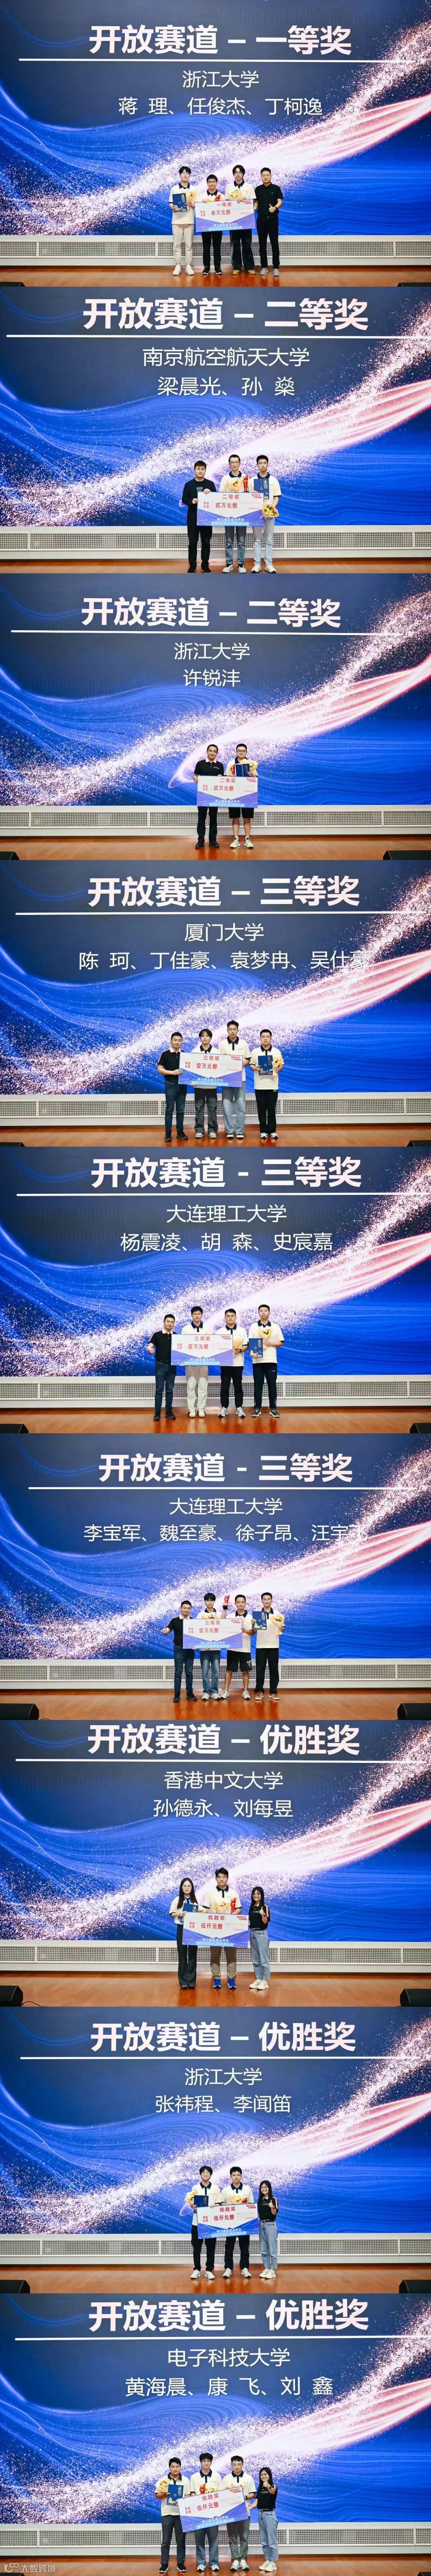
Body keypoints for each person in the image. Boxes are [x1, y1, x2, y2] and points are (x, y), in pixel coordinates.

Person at [199, 1860, 242, 1988]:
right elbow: (206, 1908)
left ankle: (231, 1979)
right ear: (216, 1879)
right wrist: (214, 1915)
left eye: (224, 1877)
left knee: (231, 1954)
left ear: (228, 1879)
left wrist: (234, 1914)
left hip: (230, 1928)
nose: (222, 1879)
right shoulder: (211, 1893)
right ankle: (217, 1978)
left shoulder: (233, 1893)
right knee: (215, 1954)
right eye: (219, 1877)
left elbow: (239, 1909)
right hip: (215, 1928)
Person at [184, 2159, 219, 2277]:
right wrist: (192, 2205)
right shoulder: (195, 2187)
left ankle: (209, 2270)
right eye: (204, 2173)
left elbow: (220, 2203)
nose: (206, 2174)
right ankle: (197, 2269)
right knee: (197, 2247)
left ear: (211, 2175)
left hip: (211, 2223)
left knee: (211, 2247)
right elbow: (192, 2202)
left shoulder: (215, 2188)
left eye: (208, 2173)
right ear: (201, 2175)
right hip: (197, 2222)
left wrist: (216, 2205)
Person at [155, 2458, 191, 2575]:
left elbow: (189, 2495)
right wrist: (164, 2495)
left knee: (181, 2541)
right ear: (169, 2468)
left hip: (181, 2515)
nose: (175, 2469)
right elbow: (157, 2495)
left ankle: (181, 2564)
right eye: (173, 2467)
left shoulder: (186, 2481)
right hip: (167, 2514)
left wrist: (187, 2497)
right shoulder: (164, 2480)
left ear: (180, 2467)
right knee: (166, 2541)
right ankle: (164, 2564)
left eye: (177, 2467)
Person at [180, 459, 216, 576]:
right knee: (193, 543)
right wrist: (191, 501)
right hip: (193, 518)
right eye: (198, 469)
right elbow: (184, 499)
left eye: (203, 469)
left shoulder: (210, 484)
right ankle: (193, 564)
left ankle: (205, 564)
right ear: (194, 470)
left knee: (206, 542)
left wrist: (211, 493)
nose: (200, 471)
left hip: (207, 518)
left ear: (205, 471)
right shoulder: (189, 485)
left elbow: (216, 499)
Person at [189, 2453, 221, 2574]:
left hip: (213, 2513)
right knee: (200, 2539)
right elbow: (192, 2493)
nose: (206, 2463)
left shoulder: (217, 2476)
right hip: (199, 2513)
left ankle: (214, 2563)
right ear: (201, 2463)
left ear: (211, 2462)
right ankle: (201, 2563)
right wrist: (199, 2500)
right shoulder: (195, 2477)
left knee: (214, 2539)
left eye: (208, 2461)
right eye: (204, 2461)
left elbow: (220, 2493)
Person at [249, 1029, 284, 1140]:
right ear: (260, 1039)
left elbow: (282, 1065)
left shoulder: (277, 1052)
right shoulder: (255, 1052)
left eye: (268, 1037)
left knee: (272, 1109)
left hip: (273, 1085)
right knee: (262, 1109)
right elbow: (251, 1064)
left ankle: (272, 1131)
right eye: (263, 1037)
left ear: (271, 1039)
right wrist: (255, 1068)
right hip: (260, 1086)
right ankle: (263, 1131)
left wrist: (278, 1069)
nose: (265, 1039)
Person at [176, 1300, 209, 1417]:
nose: (197, 1316)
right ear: (192, 1315)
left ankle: (201, 1409)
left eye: (199, 1314)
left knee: (203, 1386)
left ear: (202, 1315)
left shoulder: (207, 1328)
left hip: (204, 1361)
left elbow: (211, 1345)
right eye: (195, 1314)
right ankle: (191, 1409)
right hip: (190, 1362)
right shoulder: (186, 1329)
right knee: (191, 1386)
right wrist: (183, 1360)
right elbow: (183, 1345)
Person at [249, 455, 281, 575]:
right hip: (257, 515)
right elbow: (249, 497)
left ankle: (269, 564)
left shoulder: (274, 481)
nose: (263, 465)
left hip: (270, 514)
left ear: (268, 464)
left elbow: (276, 497)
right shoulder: (252, 481)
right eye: (260, 463)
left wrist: (272, 508)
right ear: (257, 465)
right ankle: (257, 564)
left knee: (269, 540)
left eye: (265, 463)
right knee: (257, 540)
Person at [223, 2457, 257, 2571]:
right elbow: (221, 2495)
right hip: (231, 2513)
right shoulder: (226, 2479)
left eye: (239, 2464)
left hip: (245, 2511)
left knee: (244, 2537)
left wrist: (245, 2497)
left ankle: (243, 2560)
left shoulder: (249, 2478)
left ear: (243, 2465)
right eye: (234, 2464)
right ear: (231, 2465)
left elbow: (253, 2493)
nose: (237, 2467)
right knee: (232, 2537)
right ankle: (235, 2560)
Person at [251, 1303, 283, 1417]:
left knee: (272, 1385)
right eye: (261, 1311)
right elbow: (251, 1342)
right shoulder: (254, 1327)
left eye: (265, 1311)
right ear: (258, 1313)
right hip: (258, 1361)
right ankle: (257, 1409)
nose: (263, 1312)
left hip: (271, 1361)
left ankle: (273, 1409)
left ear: (269, 1313)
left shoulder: (275, 1327)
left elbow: (281, 1342)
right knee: (258, 1386)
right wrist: (254, 1354)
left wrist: (270, 1343)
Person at [223, 2164, 255, 2279]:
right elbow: (221, 2204)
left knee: (245, 2246)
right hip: (230, 2223)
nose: (236, 2177)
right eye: (234, 2175)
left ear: (241, 2176)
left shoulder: (247, 2189)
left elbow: (251, 2204)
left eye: (238, 2175)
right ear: (231, 2177)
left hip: (244, 2223)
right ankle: (228, 2268)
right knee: (229, 2246)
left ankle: (245, 2268)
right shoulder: (226, 2190)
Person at [198, 1588, 230, 1700]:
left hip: (216, 1648)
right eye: (208, 1600)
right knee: (205, 1671)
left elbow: (224, 1626)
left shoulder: (219, 1614)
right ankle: (206, 1692)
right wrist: (204, 1643)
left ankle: (215, 1691)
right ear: (205, 1602)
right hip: (205, 1648)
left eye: (212, 1600)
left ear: (214, 1601)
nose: (210, 1602)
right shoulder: (201, 1615)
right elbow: (198, 1630)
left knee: (216, 1671)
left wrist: (225, 1611)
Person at [221, 1017, 250, 1139]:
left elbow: (248, 1059)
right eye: (230, 1029)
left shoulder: (244, 1044)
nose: (232, 1031)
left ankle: (239, 1131)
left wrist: (240, 1064)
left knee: (241, 1105)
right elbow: (220, 1061)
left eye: (235, 1029)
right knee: (227, 1105)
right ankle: (229, 1130)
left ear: (238, 1030)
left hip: (240, 1078)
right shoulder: (222, 1044)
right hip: (227, 1079)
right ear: (227, 1030)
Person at [221, 1594, 255, 1700]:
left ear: (245, 1603)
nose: (241, 1604)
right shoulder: (231, 1616)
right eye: (239, 1602)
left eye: (243, 1602)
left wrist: (245, 1631)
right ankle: (226, 1691)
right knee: (229, 1670)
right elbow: (221, 1623)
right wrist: (224, 1610)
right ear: (235, 1604)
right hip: (233, 1648)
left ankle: (245, 1691)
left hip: (245, 1648)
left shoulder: (250, 1617)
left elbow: (253, 1633)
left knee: (246, 1671)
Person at [163, 1598, 196, 1704]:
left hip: (190, 1649)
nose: (186, 1610)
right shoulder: (175, 1620)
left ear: (191, 1610)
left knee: (189, 1672)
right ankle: (177, 1695)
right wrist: (166, 1631)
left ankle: (190, 1694)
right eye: (184, 1608)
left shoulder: (194, 1621)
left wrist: (197, 1644)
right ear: (181, 1609)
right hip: (179, 1649)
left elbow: (197, 1636)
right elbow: (168, 1629)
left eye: (189, 1609)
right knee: (178, 1672)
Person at [157, 1029, 188, 1142]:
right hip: (171, 1084)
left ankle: (180, 1132)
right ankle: (168, 1133)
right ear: (171, 1041)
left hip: (182, 1085)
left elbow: (189, 1071)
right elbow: (160, 1070)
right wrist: (173, 1073)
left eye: (179, 1040)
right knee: (170, 1109)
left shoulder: (185, 1054)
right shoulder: (165, 1054)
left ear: (182, 1042)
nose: (177, 1042)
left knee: (181, 1110)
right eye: (175, 1040)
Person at [219, 455, 248, 573]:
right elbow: (221, 495)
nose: (235, 464)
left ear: (240, 463)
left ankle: (241, 564)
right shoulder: (225, 479)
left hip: (242, 513)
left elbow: (249, 494)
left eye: (237, 462)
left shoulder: (246, 478)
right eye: (232, 462)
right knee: (229, 540)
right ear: (229, 464)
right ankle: (229, 564)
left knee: (242, 540)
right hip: (229, 513)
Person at [253, 1592, 284, 1700]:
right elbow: (255, 1631)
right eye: (265, 1599)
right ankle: (260, 1691)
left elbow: (282, 1627)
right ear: (262, 1601)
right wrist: (254, 1625)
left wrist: (282, 1628)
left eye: (269, 1599)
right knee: (260, 1669)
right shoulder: (258, 1614)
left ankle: (273, 1692)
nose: (267, 1601)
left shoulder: (277, 1613)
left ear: (272, 1600)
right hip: (261, 1646)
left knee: (274, 1669)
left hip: (274, 1645)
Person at [169, 1873, 198, 1990]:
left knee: (192, 1955)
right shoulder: (177, 1900)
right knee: (182, 1955)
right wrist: (179, 1914)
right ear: (182, 1888)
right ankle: (183, 1981)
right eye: (185, 1886)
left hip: (193, 1930)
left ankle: (191, 1980)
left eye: (189, 1886)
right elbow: (172, 1913)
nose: (187, 1888)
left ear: (192, 1888)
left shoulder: (195, 1901)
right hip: (182, 1928)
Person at [253, 168, 283, 278]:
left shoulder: (276, 188)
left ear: (271, 176)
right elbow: (257, 201)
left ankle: (276, 268)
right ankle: (264, 267)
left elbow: (280, 201)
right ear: (261, 177)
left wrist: (275, 208)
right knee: (262, 245)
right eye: (264, 176)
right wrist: (255, 207)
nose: (266, 177)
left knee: (275, 244)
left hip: (273, 220)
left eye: (268, 175)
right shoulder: (258, 189)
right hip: (261, 220)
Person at [226, 743, 257, 850]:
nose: (241, 752)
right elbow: (225, 777)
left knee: (247, 817)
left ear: (246, 752)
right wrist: (230, 776)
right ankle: (236, 839)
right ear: (236, 752)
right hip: (234, 794)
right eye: (239, 751)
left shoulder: (251, 764)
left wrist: (252, 775)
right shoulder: (231, 763)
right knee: (236, 817)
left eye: (243, 751)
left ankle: (247, 839)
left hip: (248, 794)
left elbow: (256, 778)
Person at [219, 1307, 248, 1420]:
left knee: (238, 1387)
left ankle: (239, 1408)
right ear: (225, 1318)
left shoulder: (242, 1331)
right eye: (228, 1316)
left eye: (232, 1316)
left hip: (238, 1363)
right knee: (225, 1387)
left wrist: (240, 1350)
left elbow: (246, 1345)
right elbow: (216, 1347)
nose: (230, 1318)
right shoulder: (220, 1332)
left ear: (236, 1318)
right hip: (225, 1364)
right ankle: (224, 1408)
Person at [194, 744, 224, 849]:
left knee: (213, 818)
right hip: (203, 795)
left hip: (215, 796)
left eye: (214, 751)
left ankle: (213, 840)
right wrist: (195, 778)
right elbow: (195, 775)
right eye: (210, 751)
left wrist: (221, 778)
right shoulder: (200, 764)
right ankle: (201, 840)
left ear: (217, 753)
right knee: (201, 818)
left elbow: (223, 779)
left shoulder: (220, 765)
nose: (212, 753)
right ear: (207, 752)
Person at [148, 1312, 176, 1424]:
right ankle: (157, 1412)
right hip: (160, 1365)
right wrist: (150, 1349)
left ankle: (169, 1412)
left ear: (174, 1324)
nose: (170, 1324)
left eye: (172, 1322)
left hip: (172, 1366)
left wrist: (183, 1361)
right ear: (164, 1322)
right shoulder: (157, 1335)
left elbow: (181, 1352)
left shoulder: (177, 1336)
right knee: (159, 1389)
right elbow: (150, 1346)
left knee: (170, 1389)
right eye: (168, 1322)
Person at [227, 165, 255, 272]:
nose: (238, 174)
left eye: (240, 172)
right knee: (236, 244)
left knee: (247, 243)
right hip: (234, 220)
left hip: (246, 220)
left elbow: (254, 202)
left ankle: (250, 267)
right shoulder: (229, 187)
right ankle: (237, 267)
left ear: (243, 174)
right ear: (234, 174)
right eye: (236, 172)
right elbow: (226, 203)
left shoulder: (249, 187)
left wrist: (246, 200)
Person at [193, 1029, 218, 1142]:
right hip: (199, 1086)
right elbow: (191, 1069)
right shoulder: (195, 1052)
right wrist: (192, 1080)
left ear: (211, 1038)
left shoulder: (217, 1052)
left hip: (212, 1086)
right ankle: (200, 1130)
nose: (205, 1038)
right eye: (203, 1036)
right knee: (199, 1107)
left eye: (207, 1036)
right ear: (200, 1038)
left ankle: (212, 1129)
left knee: (212, 1108)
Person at [169, 166, 195, 275]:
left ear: (190, 176)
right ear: (180, 175)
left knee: (189, 245)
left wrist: (192, 204)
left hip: (189, 220)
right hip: (177, 221)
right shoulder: (174, 189)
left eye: (187, 173)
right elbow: (171, 203)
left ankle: (189, 265)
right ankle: (178, 265)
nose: (185, 175)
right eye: (183, 173)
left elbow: (197, 205)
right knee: (177, 245)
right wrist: (172, 207)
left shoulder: (194, 189)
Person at [198, 172, 224, 275]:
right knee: (206, 247)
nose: (212, 184)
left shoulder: (222, 196)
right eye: (210, 182)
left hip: (218, 225)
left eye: (214, 182)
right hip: (206, 225)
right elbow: (199, 210)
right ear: (207, 183)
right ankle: (207, 267)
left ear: (217, 183)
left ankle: (217, 266)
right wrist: (202, 204)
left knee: (217, 247)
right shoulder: (202, 196)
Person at [249, 1884, 271, 1991]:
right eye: (254, 1894)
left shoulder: (264, 1907)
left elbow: (265, 1922)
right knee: (256, 1959)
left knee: (264, 1959)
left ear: (262, 1895)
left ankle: (265, 1981)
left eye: (258, 1894)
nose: (256, 1896)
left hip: (261, 1934)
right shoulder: (252, 1908)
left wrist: (263, 1915)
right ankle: (258, 1979)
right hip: (252, 1933)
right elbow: (252, 1921)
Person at [257, 2469, 279, 2572]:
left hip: (270, 2515)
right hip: (261, 2514)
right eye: (262, 2475)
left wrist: (269, 2486)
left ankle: (273, 2563)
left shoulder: (273, 2486)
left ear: (269, 2475)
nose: (264, 2476)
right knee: (264, 2541)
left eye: (266, 2474)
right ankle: (268, 2560)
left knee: (272, 2541)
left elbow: (273, 2492)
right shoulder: (260, 2488)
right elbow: (257, 2501)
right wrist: (251, 2506)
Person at [258, 2180, 279, 2281]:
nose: (264, 2189)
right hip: (261, 2225)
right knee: (264, 2249)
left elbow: (274, 2213)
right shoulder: (260, 2201)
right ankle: (267, 2268)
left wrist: (272, 2207)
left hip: (271, 2225)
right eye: (262, 2187)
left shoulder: (273, 2199)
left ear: (269, 2188)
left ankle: (273, 2270)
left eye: (266, 2187)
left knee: (272, 2249)